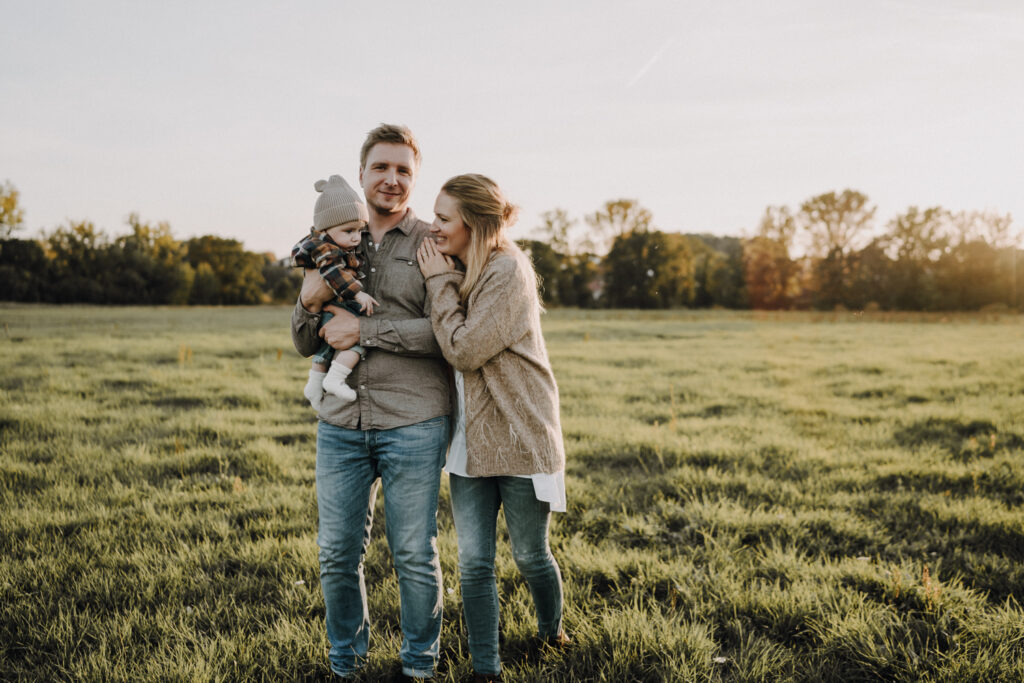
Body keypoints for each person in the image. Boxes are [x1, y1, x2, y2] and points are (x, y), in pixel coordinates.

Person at [291, 124, 450, 681]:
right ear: (361, 173)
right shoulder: (327, 238)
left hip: (414, 420)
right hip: (339, 424)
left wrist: (366, 331)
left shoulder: (434, 242)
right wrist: (309, 300)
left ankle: (420, 666)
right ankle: (346, 664)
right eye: (381, 166)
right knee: (337, 553)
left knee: (413, 554)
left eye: (403, 169)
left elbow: (446, 334)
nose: (391, 178)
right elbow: (304, 340)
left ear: (415, 177)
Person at [416, 174, 569, 682]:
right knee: (475, 563)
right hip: (469, 441)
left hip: (521, 436)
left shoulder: (507, 270)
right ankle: (487, 668)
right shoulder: (461, 265)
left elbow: (463, 349)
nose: (433, 227)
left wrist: (438, 284)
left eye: (443, 218)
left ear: (476, 225)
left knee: (530, 555)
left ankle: (551, 633)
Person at [290, 174, 380, 410]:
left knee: (327, 345)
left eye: (359, 230)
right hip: (339, 302)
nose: (356, 237)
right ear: (325, 227)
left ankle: (314, 382)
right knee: (360, 338)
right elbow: (333, 273)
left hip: (329, 307)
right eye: (348, 231)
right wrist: (358, 293)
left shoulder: (329, 243)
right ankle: (335, 378)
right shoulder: (327, 249)